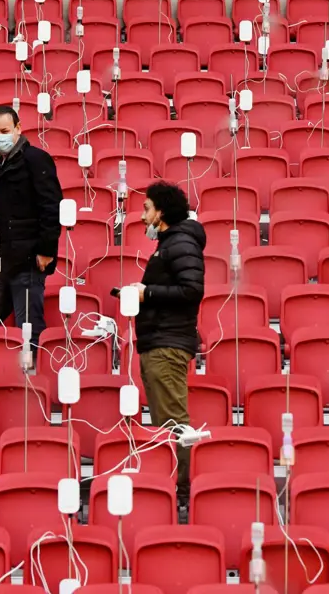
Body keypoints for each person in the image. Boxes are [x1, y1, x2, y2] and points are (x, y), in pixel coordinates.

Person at [130, 181, 206, 505]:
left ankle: (181, 489)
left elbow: (192, 290)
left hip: (166, 343)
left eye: (147, 208)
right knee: (166, 423)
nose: (143, 215)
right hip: (159, 340)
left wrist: (147, 293)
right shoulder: (172, 243)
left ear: (161, 211)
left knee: (173, 424)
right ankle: (175, 486)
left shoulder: (180, 243)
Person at [0, 105, 63, 348]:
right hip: (0, 261)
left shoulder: (36, 159)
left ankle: (32, 381)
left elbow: (51, 207)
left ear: (18, 129)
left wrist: (46, 250)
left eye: (4, 130)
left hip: (28, 260)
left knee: (29, 329)